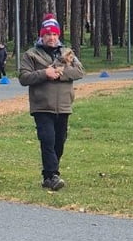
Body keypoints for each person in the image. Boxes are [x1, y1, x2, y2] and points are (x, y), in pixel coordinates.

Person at [18, 13, 84, 191]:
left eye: (55, 34)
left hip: (63, 106)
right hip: (42, 106)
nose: (52, 38)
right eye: (48, 34)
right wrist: (43, 74)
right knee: (47, 139)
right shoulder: (31, 55)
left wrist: (58, 72)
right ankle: (52, 175)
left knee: (59, 142)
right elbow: (23, 77)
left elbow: (79, 72)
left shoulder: (67, 53)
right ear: (42, 35)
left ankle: (49, 174)